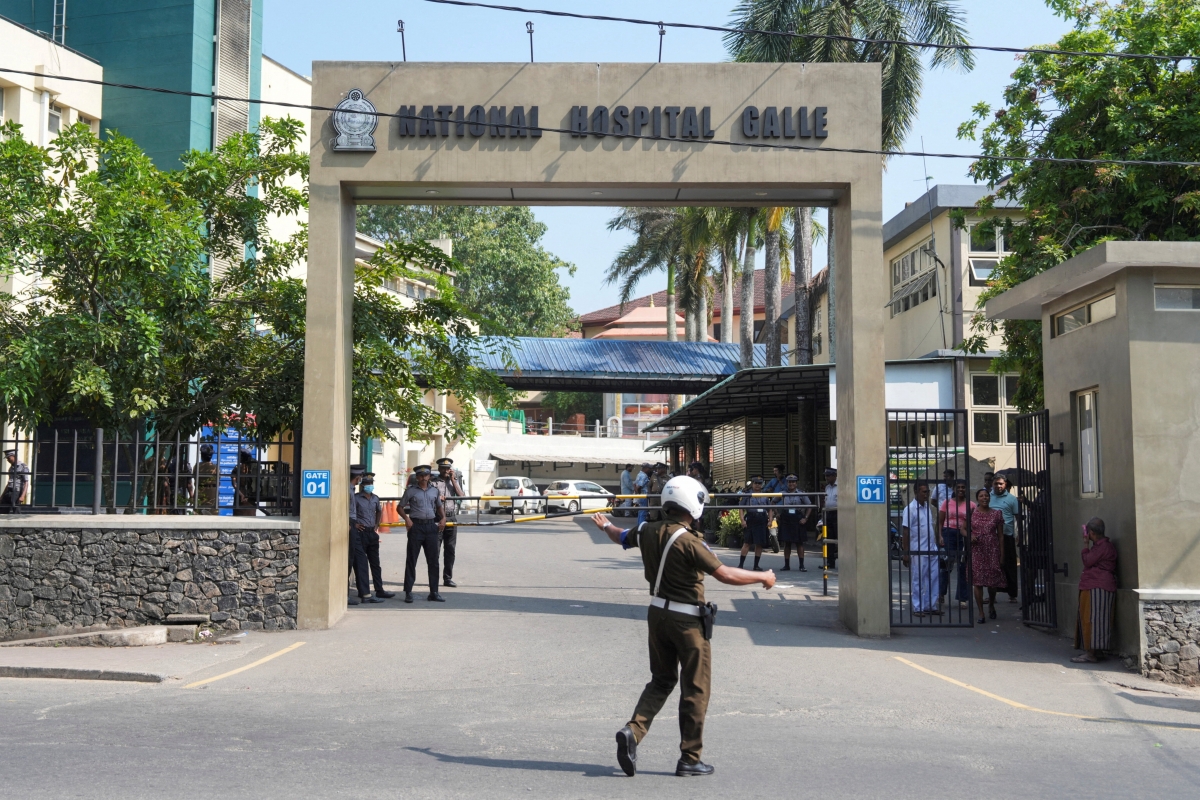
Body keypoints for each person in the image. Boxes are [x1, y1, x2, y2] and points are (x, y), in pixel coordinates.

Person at [590, 476, 776, 778]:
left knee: (661, 681)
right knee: (695, 688)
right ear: (692, 504)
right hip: (687, 622)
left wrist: (604, 527)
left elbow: (620, 535)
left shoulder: (647, 530)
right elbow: (725, 574)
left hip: (656, 614)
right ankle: (690, 758)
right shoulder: (690, 541)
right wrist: (763, 577)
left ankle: (633, 732)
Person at [399, 464, 446, 603]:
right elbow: (400, 507)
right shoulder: (411, 491)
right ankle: (408, 592)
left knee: (434, 561)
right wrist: (407, 519)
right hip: (416, 527)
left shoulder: (434, 491)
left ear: (429, 476)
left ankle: (434, 592)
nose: (423, 478)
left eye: (426, 475)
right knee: (411, 560)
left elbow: (438, 506)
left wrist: (443, 518)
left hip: (431, 527)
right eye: (420, 476)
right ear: (417, 477)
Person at [1073, 517, 1117, 664]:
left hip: (1097, 586)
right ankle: (1097, 650)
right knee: (1099, 620)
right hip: (1099, 585)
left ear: (1091, 532)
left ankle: (1091, 653)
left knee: (1092, 619)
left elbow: (1087, 561)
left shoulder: (1102, 547)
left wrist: (1085, 545)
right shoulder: (1104, 546)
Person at [901, 481, 941, 616]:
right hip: (918, 550)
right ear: (916, 492)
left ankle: (930, 605)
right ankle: (918, 607)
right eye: (924, 492)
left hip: (931, 548)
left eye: (928, 492)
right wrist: (906, 553)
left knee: (934, 577)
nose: (927, 494)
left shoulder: (927, 508)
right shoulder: (910, 509)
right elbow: (905, 531)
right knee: (918, 579)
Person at [355, 472, 395, 600]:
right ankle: (363, 591)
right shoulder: (355, 498)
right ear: (362, 484)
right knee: (361, 564)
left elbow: (379, 511)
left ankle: (379, 590)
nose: (369, 486)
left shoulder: (375, 498)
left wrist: (377, 525)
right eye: (366, 483)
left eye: (371, 483)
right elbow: (349, 513)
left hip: (372, 533)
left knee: (375, 564)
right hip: (360, 533)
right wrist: (355, 524)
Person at [969, 488, 1006, 623]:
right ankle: (980, 612)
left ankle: (991, 603)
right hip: (977, 550)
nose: (984, 498)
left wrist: (1002, 554)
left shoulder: (997, 514)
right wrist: (970, 535)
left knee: (992, 583)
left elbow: (1001, 536)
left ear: (989, 498)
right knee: (977, 582)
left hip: (992, 550)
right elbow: (963, 529)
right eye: (981, 496)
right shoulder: (972, 513)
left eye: (986, 496)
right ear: (977, 498)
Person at [347, 464, 381, 605]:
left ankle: (365, 594)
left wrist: (376, 526)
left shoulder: (352, 489)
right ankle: (346, 595)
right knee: (349, 563)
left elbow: (379, 511)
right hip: (352, 528)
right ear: (359, 477)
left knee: (362, 562)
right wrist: (352, 524)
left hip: (360, 529)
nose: (367, 484)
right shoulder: (350, 492)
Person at [938, 481, 974, 609]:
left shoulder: (971, 505)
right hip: (948, 534)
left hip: (963, 536)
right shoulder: (946, 503)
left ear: (966, 489)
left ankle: (962, 597)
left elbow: (973, 523)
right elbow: (940, 522)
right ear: (954, 488)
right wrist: (940, 536)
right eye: (958, 487)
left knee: (963, 567)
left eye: (963, 487)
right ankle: (941, 593)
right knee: (946, 565)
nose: (960, 489)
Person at [432, 457, 463, 588]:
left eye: (448, 468)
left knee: (450, 550)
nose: (446, 470)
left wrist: (453, 480)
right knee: (435, 550)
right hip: (437, 518)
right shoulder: (433, 483)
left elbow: (461, 495)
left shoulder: (453, 482)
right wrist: (437, 497)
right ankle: (433, 579)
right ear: (439, 469)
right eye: (443, 468)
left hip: (451, 518)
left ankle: (447, 578)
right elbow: (429, 496)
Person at [990, 475, 1021, 603]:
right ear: (992, 484)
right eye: (996, 483)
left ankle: (1012, 594)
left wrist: (1019, 533)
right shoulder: (988, 497)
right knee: (992, 566)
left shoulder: (1012, 499)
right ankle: (992, 595)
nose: (998, 486)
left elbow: (1018, 517)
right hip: (991, 536)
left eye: (1001, 484)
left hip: (1007, 536)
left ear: (1005, 484)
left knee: (1009, 565)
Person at [776, 475, 809, 572]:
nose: (791, 484)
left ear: (796, 483)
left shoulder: (801, 493)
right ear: (787, 483)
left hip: (798, 518)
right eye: (789, 482)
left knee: (799, 543)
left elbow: (810, 505)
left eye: (793, 482)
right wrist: (777, 513)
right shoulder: (782, 493)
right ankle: (786, 565)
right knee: (787, 543)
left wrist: (805, 518)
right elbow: (773, 502)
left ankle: (802, 565)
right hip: (786, 519)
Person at [739, 476, 771, 571]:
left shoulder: (765, 496)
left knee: (759, 544)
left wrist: (770, 520)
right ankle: (741, 564)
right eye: (756, 483)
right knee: (747, 543)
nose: (757, 485)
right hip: (751, 519)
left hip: (762, 519)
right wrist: (742, 520)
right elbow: (741, 508)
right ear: (752, 484)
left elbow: (770, 509)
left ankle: (756, 565)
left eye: (759, 483)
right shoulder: (747, 495)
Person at [232, 447, 260, 517]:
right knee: (250, 518)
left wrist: (241, 495)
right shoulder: (254, 469)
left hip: (240, 495)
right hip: (250, 496)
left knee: (238, 517)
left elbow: (234, 484)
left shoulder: (237, 469)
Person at [1, 448, 30, 513]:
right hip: (9, 491)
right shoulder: (11, 468)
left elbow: (26, 482)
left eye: (9, 458)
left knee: (16, 511)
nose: (8, 460)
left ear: (14, 456)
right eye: (7, 458)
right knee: (3, 509)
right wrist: (2, 495)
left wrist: (22, 496)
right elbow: (9, 482)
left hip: (16, 491)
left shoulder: (23, 467)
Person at [821, 468, 839, 569]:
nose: (826, 478)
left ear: (834, 476)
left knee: (840, 538)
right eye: (826, 476)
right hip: (828, 514)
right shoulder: (827, 487)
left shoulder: (840, 486)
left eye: (828, 476)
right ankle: (830, 562)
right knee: (829, 539)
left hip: (838, 513)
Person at [195, 444, 219, 514]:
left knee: (199, 513)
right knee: (212, 513)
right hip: (212, 491)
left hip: (200, 490)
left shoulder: (197, 466)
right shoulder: (215, 468)